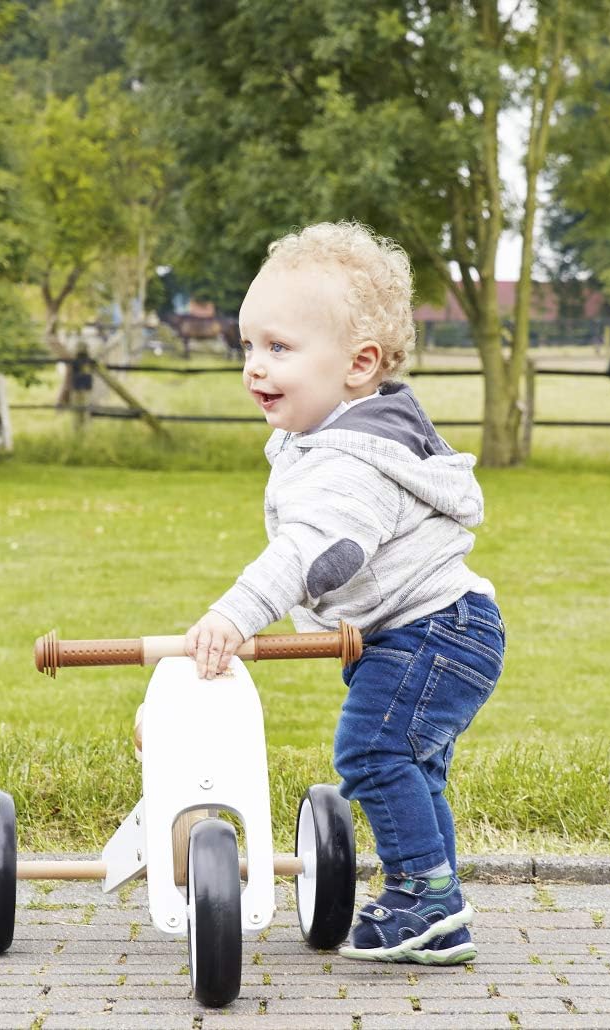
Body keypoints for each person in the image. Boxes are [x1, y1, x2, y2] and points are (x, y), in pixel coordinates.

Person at [183, 222, 504, 965]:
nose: (255, 367)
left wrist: (234, 613)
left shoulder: (352, 461)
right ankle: (434, 907)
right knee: (411, 767)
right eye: (248, 346)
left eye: (280, 348)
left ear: (359, 364)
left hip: (433, 632)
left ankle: (426, 899)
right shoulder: (344, 434)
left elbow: (314, 551)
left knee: (372, 749)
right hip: (441, 630)